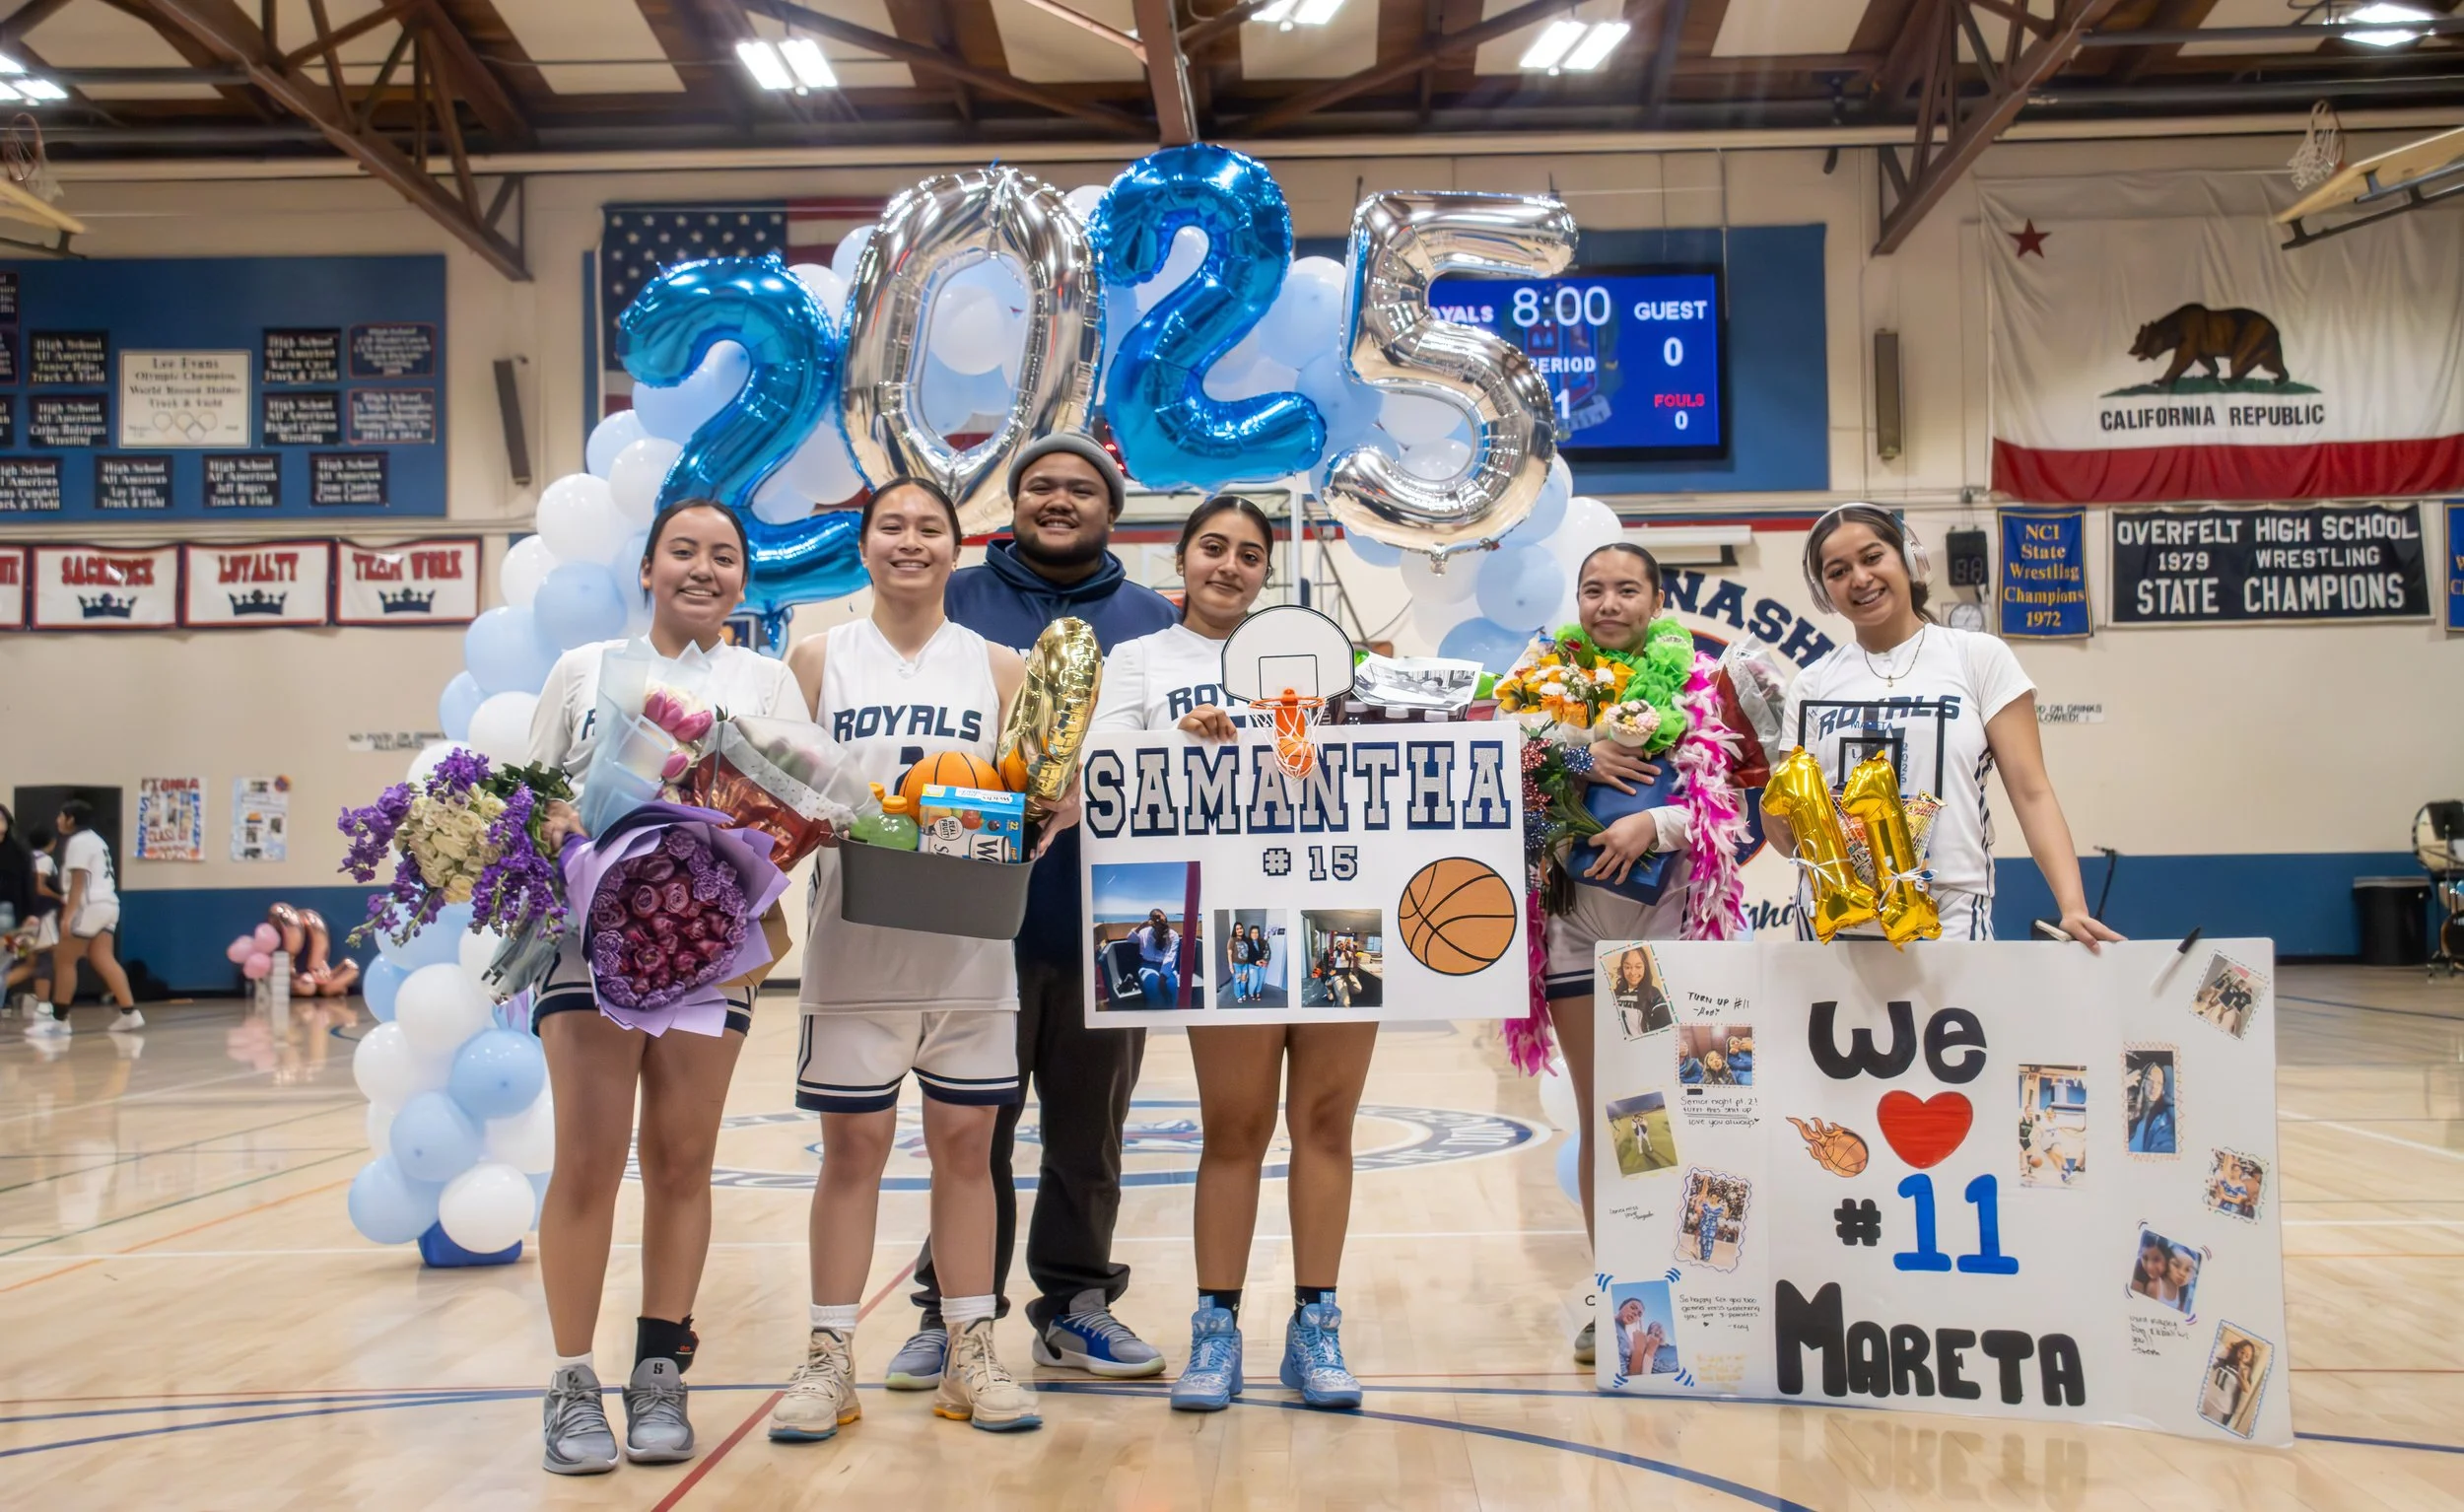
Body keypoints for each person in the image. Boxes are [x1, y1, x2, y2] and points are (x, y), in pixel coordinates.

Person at [520, 497, 809, 1476]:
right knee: (588, 1159)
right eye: (682, 551)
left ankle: (659, 1371)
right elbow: (529, 801)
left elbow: (799, 815)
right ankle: (569, 1383)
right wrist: (578, 840)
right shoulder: (583, 671)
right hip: (586, 947)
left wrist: (724, 860)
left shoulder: (767, 680)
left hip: (709, 941)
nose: (702, 568)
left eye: (723, 556)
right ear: (645, 568)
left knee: (684, 1160)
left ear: (742, 578)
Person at [902, 435, 1177, 1387]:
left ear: (1113, 510)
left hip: (1114, 919)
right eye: (1040, 488)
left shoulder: (1153, 621)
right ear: (1013, 504)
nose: (1059, 501)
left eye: (1080, 490)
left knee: (1088, 1133)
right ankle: (952, 1310)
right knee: (965, 1126)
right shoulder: (956, 604)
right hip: (979, 915)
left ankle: (1076, 1306)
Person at [1088, 494, 1373, 1412]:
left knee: (1326, 1125)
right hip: (1225, 920)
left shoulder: (1320, 661)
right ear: (1182, 558)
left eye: (1251, 554)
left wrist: (1356, 720)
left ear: (1267, 571)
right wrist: (1181, 739)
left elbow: (1369, 771)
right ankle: (1216, 1332)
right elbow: (1100, 767)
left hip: (1335, 907)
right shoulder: (1138, 660)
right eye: (1214, 547)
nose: (1231, 565)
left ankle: (1315, 1330)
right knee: (1236, 1127)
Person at [773, 478, 1042, 1439]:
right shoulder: (812, 661)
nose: (912, 541)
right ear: (863, 542)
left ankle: (972, 1351)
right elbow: (772, 798)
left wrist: (1040, 822)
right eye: (893, 526)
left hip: (970, 949)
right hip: (855, 945)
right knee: (852, 1150)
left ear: (956, 547)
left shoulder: (1002, 668)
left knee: (969, 1148)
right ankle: (828, 1355)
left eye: (931, 527)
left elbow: (1045, 800)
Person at [1506, 542, 1752, 1365]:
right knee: (1611, 1115)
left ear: (1655, 598)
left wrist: (1658, 823)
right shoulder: (1540, 678)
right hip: (1579, 932)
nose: (1608, 603)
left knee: (1684, 1114)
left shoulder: (1694, 686)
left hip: (1669, 934)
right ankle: (1621, 1291)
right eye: (1593, 590)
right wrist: (1573, 751)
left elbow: (1727, 807)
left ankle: (1710, 1287)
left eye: (1626, 589)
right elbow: (1498, 762)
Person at [1771, 505, 2125, 950]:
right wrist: (1763, 783)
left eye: (1872, 557)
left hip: (1949, 915)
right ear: (1824, 590)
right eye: (1838, 570)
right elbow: (1789, 835)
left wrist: (2072, 906)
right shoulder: (1813, 682)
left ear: (1910, 559)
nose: (1859, 578)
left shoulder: (1977, 657)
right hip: (1833, 921)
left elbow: (2031, 791)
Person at [28, 799, 141, 1038]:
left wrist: (68, 917)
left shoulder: (78, 842)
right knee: (102, 957)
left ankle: (59, 1021)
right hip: (109, 904)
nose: (57, 820)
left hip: (88, 905)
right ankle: (130, 1013)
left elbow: (79, 880)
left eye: (61, 815)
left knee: (64, 959)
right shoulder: (97, 840)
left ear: (70, 819)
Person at [2201, 1338, 2256, 1430]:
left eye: (2247, 1356)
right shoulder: (2225, 1357)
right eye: (2242, 1352)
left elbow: (2247, 1389)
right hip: (2206, 1398)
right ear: (2237, 1350)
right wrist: (2228, 1347)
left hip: (2221, 1409)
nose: (2243, 1357)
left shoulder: (2245, 1371)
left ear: (2250, 1360)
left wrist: (2241, 1375)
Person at [1132, 909, 1182, 1005]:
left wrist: (1163, 977)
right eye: (1156, 919)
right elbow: (1131, 938)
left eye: (1161, 919)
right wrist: (1141, 926)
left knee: (1171, 985)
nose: (1159, 921)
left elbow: (1170, 957)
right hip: (1148, 966)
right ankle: (1156, 1016)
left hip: (1167, 967)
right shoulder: (1144, 932)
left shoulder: (1172, 935)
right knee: (1153, 985)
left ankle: (1173, 1013)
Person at [2128, 1062, 2175, 1154]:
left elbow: (2165, 1145)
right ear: (2143, 1083)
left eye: (2159, 1083)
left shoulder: (2164, 1120)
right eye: (2150, 1080)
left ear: (2163, 1090)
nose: (2154, 1087)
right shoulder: (2131, 1113)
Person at [1614, 1297, 1667, 1378]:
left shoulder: (1625, 1336)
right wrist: (1641, 1350)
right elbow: (1631, 1380)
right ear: (1621, 1306)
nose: (1635, 1313)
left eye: (1639, 1314)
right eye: (1633, 1307)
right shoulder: (1610, 1327)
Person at [2131, 1234, 2168, 1302]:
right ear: (2139, 1253)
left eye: (2156, 1259)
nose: (2150, 1266)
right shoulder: (2136, 1271)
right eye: (2145, 1258)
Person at [1225, 925, 1254, 1003]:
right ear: (1235, 930)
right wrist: (1230, 966)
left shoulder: (1246, 940)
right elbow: (1229, 953)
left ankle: (1242, 993)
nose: (1239, 930)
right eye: (1237, 929)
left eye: (1241, 928)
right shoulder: (1232, 939)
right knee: (1237, 980)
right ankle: (1238, 996)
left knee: (1244, 980)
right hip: (1236, 964)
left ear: (1243, 929)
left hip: (1245, 964)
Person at [1245, 924, 1270, 998]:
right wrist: (1256, 962)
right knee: (1254, 981)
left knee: (1261, 980)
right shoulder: (1247, 943)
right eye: (1252, 932)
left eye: (1256, 932)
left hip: (1262, 965)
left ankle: (1258, 991)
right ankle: (1251, 992)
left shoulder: (1262, 942)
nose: (1254, 934)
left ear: (1258, 933)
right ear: (1250, 933)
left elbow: (1267, 952)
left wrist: (1265, 961)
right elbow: (1246, 956)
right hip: (1252, 965)